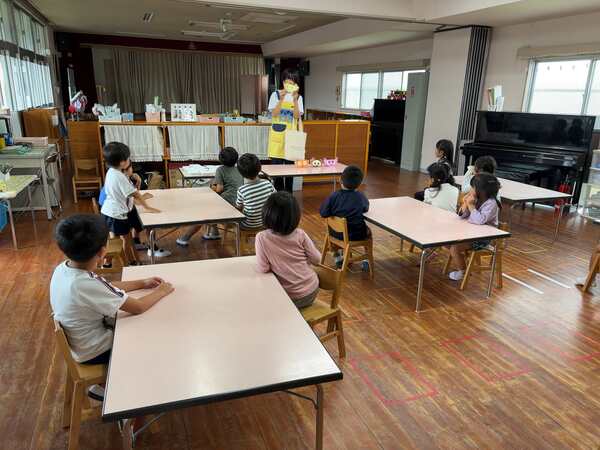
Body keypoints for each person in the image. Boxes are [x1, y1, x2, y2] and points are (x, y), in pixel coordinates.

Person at [50, 214, 174, 400]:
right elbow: (138, 307)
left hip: (82, 344)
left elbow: (105, 287)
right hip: (94, 351)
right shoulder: (82, 284)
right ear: (102, 252)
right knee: (151, 338)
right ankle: (128, 397)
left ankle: (104, 385)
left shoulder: (65, 269)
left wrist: (142, 283)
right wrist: (162, 291)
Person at [255, 192, 322, 308]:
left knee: (262, 302)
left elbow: (263, 268)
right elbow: (317, 260)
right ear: (295, 216)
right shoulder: (300, 234)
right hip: (311, 290)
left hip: (287, 297)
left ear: (266, 214)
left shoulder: (262, 237)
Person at [100, 142, 162, 264]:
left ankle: (109, 264)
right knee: (125, 240)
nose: (129, 160)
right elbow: (136, 194)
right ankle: (130, 264)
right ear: (122, 162)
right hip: (117, 214)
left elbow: (130, 195)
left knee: (118, 241)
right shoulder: (120, 177)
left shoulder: (111, 171)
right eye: (128, 158)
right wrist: (147, 207)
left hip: (109, 212)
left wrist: (137, 183)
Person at [177, 147, 243, 246]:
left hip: (227, 206)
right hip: (239, 206)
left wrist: (213, 187)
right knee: (213, 205)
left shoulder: (221, 169)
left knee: (204, 212)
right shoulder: (239, 169)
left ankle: (185, 238)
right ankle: (214, 233)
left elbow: (219, 189)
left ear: (221, 159)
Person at [448, 173, 501, 281]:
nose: (471, 189)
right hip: (471, 234)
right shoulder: (476, 198)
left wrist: (471, 205)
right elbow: (461, 216)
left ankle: (463, 271)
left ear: (481, 190)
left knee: (454, 248)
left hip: (483, 239)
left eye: (473, 187)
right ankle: (463, 263)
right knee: (447, 242)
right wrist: (465, 203)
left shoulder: (491, 203)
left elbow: (479, 220)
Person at [320, 165, 370, 268]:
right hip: (355, 235)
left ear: (340, 180)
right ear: (359, 183)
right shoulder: (360, 197)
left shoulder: (334, 196)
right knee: (368, 232)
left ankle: (337, 257)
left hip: (335, 234)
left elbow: (323, 213)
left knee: (333, 228)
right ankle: (366, 258)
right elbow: (365, 208)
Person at [267, 69, 304, 192]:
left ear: (296, 84)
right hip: (277, 137)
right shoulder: (275, 95)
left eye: (292, 83)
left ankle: (288, 196)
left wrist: (295, 100)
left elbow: (297, 116)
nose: (289, 85)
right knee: (277, 172)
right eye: (287, 82)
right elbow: (274, 114)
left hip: (291, 137)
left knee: (289, 172)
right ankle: (278, 196)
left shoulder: (299, 97)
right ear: (283, 82)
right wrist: (281, 99)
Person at [236, 153, 276, 230]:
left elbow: (238, 208)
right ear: (260, 168)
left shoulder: (242, 190)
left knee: (236, 219)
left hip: (248, 225)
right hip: (266, 223)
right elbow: (275, 199)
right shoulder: (268, 183)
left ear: (241, 173)